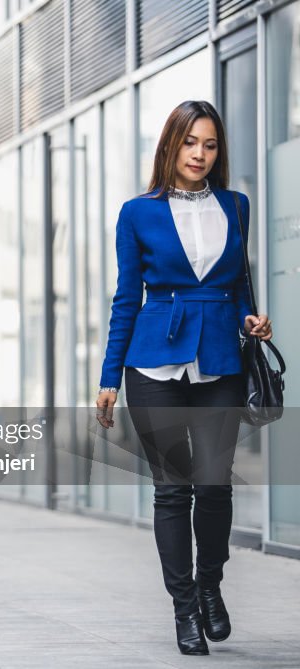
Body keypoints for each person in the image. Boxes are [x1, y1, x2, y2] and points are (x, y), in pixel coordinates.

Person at [96, 100, 272, 656]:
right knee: (173, 490)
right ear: (171, 145)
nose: (200, 153)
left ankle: (210, 586)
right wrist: (108, 377)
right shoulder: (137, 212)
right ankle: (184, 608)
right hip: (153, 362)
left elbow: (239, 285)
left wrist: (252, 317)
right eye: (190, 141)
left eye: (211, 144)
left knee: (216, 486)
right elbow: (127, 299)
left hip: (220, 357)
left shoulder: (236, 206)